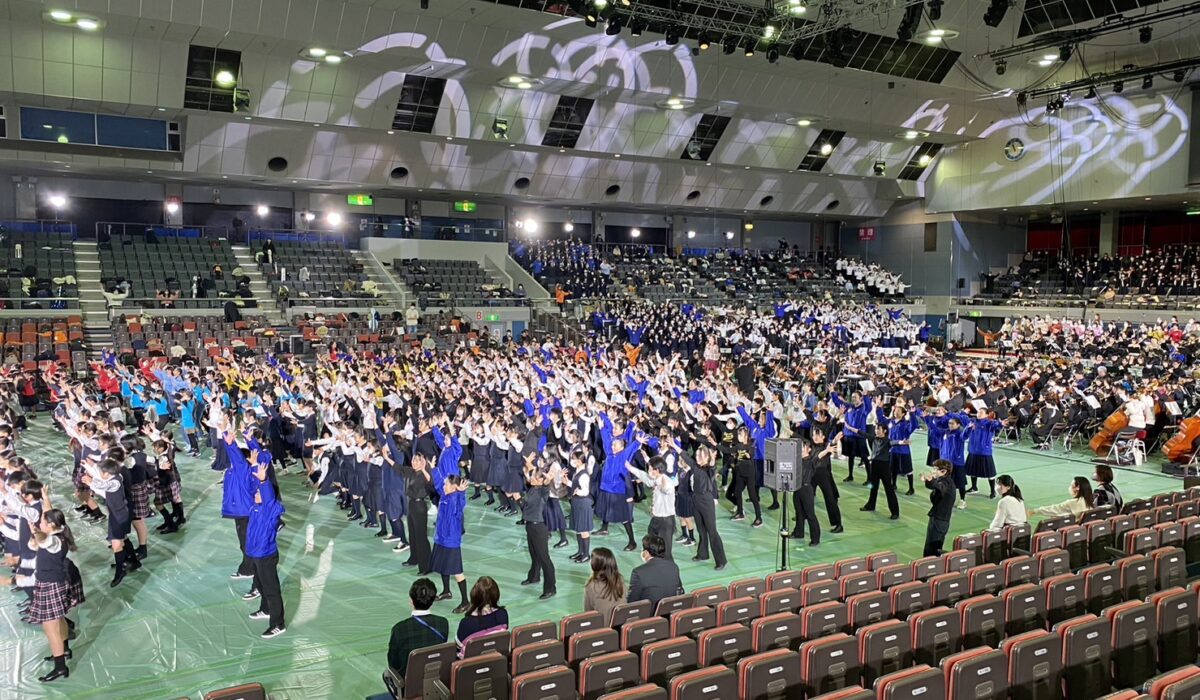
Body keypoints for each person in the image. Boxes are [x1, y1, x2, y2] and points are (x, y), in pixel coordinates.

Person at [27, 508, 84, 683]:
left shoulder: (56, 540)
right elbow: (33, 545)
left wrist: (36, 532)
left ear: (51, 524)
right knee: (58, 620)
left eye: (43, 522)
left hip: (52, 585)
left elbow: (44, 540)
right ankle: (64, 650)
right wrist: (35, 533)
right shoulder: (54, 536)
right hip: (49, 583)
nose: (40, 524)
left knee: (50, 629)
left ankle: (60, 667)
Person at [246, 458, 287, 638]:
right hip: (255, 554)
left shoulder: (269, 509)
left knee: (271, 590)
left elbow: (266, 493)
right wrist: (254, 465)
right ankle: (266, 609)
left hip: (265, 555)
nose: (256, 493)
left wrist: (264, 481)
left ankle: (278, 624)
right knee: (260, 584)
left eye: (259, 491)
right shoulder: (255, 508)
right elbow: (253, 484)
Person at [386, 578, 449, 689]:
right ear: (433, 600)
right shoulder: (443, 623)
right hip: (435, 681)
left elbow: (393, 663)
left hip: (408, 685)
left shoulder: (399, 629)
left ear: (411, 601)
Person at [626, 456, 676, 561]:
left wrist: (662, 484)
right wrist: (627, 465)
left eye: (650, 468)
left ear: (656, 470)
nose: (648, 471)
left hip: (666, 520)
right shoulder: (655, 479)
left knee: (665, 550)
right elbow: (642, 475)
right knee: (651, 541)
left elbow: (667, 489)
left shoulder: (667, 481)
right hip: (656, 518)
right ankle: (654, 562)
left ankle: (669, 568)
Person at [626, 534, 683, 611]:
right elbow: (680, 591)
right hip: (671, 612)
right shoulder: (673, 567)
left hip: (650, 615)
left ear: (646, 552)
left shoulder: (638, 572)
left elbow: (632, 601)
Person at [455, 576, 508, 651]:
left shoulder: (466, 623)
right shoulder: (503, 614)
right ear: (496, 595)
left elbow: (458, 646)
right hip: (497, 656)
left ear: (474, 595)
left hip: (473, 658)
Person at [860, 423, 899, 520]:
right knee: (873, 487)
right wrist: (849, 427)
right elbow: (863, 433)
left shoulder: (887, 441)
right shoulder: (874, 439)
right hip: (874, 465)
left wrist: (902, 442)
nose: (876, 431)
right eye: (876, 429)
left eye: (878, 429)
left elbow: (894, 442)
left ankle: (895, 512)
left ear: (884, 431)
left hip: (884, 467)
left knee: (889, 489)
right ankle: (871, 505)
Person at [922, 460, 957, 557]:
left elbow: (940, 487)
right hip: (940, 518)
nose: (933, 471)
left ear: (944, 471)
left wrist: (931, 481)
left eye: (935, 469)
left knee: (932, 548)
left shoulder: (946, 483)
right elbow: (935, 485)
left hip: (939, 520)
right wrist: (929, 481)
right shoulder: (945, 480)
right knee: (933, 546)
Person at [583, 547, 625, 624]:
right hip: (620, 626)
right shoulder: (620, 580)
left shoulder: (591, 585)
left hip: (602, 628)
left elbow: (587, 613)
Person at [1029, 476, 1094, 521]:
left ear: (1077, 488)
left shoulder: (1073, 503)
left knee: (1053, 517)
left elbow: (1054, 509)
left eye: (1071, 485)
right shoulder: (1089, 500)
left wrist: (1034, 511)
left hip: (1072, 528)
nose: (1070, 487)